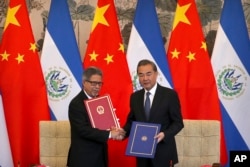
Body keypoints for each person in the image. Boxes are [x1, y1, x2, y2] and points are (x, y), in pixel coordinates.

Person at [122, 59, 184, 167]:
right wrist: (122, 132)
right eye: (141, 75)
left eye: (148, 74)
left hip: (163, 152)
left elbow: (178, 123)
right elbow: (132, 122)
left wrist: (164, 134)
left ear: (156, 74)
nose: (145, 78)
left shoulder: (169, 95)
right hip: (142, 152)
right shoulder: (135, 97)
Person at [67, 66, 123, 167]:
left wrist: (112, 129)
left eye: (99, 83)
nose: (97, 87)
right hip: (83, 159)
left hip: (100, 156)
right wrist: (110, 134)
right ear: (84, 83)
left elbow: (103, 126)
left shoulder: (100, 101)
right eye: (94, 83)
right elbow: (83, 130)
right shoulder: (76, 104)